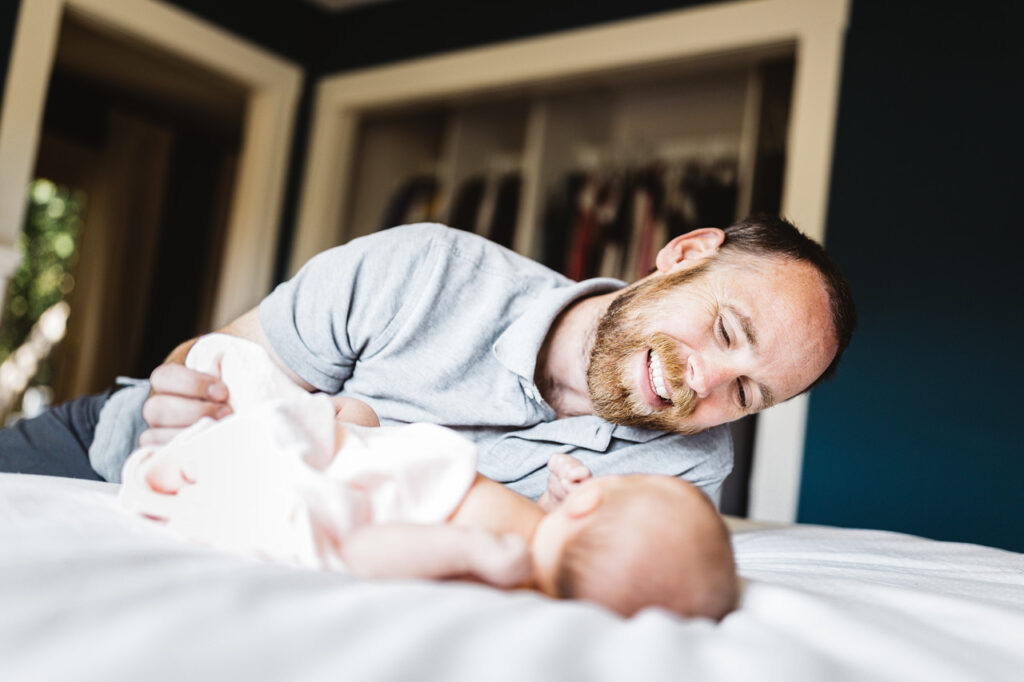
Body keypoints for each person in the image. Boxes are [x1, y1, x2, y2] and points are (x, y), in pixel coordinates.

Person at [0, 215, 855, 507]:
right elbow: (220, 357)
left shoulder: (689, 468)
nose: (706, 381)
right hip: (101, 447)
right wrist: (187, 392)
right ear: (684, 254)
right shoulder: (425, 270)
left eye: (748, 392)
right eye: (726, 331)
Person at [120, 334, 738, 620]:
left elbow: (361, 549)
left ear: (589, 509)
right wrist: (554, 501)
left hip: (358, 485)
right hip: (382, 455)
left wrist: (465, 549)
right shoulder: (538, 538)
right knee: (349, 414)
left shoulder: (501, 566)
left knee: (273, 408)